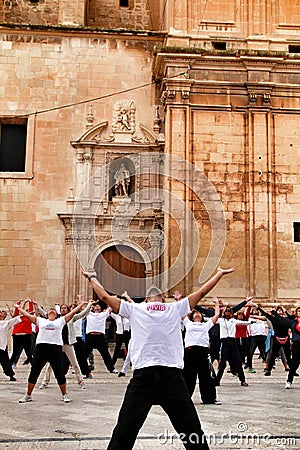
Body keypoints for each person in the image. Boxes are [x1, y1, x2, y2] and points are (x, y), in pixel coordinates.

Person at [81, 266, 235, 450]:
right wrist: (218, 273)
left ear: (146, 299)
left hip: (144, 377)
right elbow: (202, 292)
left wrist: (92, 277)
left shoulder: (136, 309)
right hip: (171, 378)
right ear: (163, 299)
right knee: (192, 430)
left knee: (124, 431)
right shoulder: (174, 308)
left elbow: (105, 297)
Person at [15, 300, 87, 403]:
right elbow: (27, 315)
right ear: (47, 314)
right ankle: (28, 395)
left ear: (56, 315)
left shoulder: (60, 321)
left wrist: (80, 305)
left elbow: (72, 313)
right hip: (41, 348)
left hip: (55, 349)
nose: (52, 311)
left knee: (59, 373)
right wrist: (18, 308)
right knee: (34, 372)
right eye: (50, 311)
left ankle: (64, 394)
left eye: (53, 310)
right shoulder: (41, 321)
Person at [182, 297, 221, 405]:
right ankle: (184, 398)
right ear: (192, 316)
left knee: (205, 376)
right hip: (190, 351)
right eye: (195, 313)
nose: (198, 314)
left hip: (203, 351)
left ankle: (209, 398)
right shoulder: (188, 324)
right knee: (188, 375)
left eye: (199, 313)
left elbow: (216, 315)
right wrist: (179, 300)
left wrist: (217, 304)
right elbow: (180, 313)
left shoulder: (206, 325)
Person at [215, 306, 252, 387]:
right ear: (224, 312)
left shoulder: (233, 321)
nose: (228, 312)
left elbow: (244, 322)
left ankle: (242, 380)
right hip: (224, 342)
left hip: (233, 342)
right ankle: (217, 381)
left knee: (238, 362)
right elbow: (211, 320)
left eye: (229, 311)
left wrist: (253, 322)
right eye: (226, 311)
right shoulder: (221, 320)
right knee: (222, 364)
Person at [271, 305, 300, 389]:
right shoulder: (293, 322)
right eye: (299, 311)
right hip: (297, 344)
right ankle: (289, 381)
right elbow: (282, 319)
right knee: (295, 364)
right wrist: (275, 313)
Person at [85, 304, 118, 374]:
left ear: (100, 308)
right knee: (84, 354)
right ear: (93, 308)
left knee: (105, 354)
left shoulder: (103, 314)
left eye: (99, 306)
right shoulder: (89, 314)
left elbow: (110, 308)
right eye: (96, 306)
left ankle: (111, 368)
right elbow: (83, 309)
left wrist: (111, 299)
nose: (97, 307)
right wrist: (89, 303)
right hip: (90, 336)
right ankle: (79, 367)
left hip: (100, 337)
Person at [0, 308, 22, 381]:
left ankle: (10, 375)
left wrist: (25, 314)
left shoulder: (5, 323)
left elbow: (15, 320)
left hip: (1, 346)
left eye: (2, 312)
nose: (1, 313)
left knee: (5, 362)